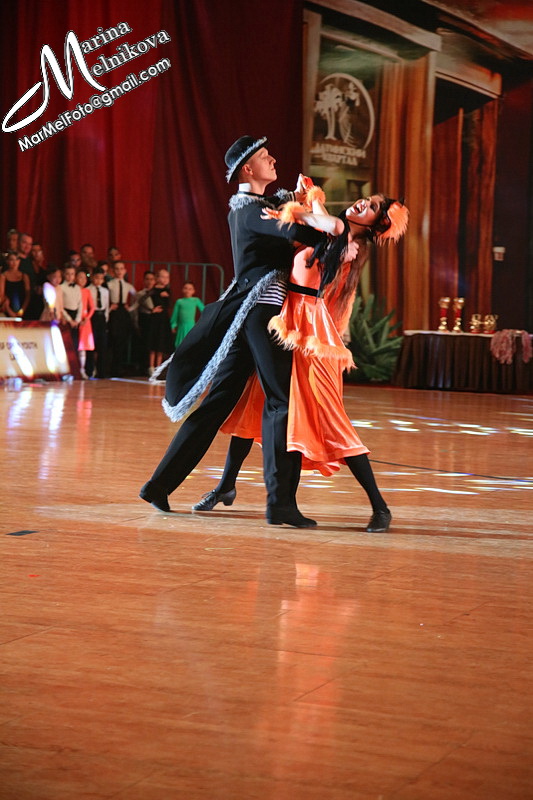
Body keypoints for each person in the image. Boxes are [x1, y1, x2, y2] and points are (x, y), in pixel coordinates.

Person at [192, 188, 409, 533]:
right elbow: (316, 223)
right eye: (368, 198)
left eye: (373, 207)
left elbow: (323, 222)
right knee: (256, 405)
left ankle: (380, 507)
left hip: (309, 333)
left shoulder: (346, 241)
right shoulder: (331, 231)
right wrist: (298, 202)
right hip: (285, 323)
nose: (364, 202)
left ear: (375, 225)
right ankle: (226, 486)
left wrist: (299, 205)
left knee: (331, 419)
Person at [139, 135, 328, 527]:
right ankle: (280, 503)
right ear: (248, 168)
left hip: (250, 315)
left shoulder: (258, 208)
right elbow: (304, 235)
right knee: (281, 401)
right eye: (265, 156)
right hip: (262, 312)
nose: (273, 160)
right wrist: (316, 212)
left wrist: (296, 203)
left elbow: (286, 221)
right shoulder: (248, 210)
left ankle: (159, 485)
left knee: (219, 403)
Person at [107, 260, 136, 376]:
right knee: (113, 338)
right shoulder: (109, 284)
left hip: (123, 312)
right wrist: (109, 307)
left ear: (125, 271)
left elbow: (138, 297)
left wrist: (131, 308)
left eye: (121, 268)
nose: (119, 271)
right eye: (117, 269)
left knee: (122, 340)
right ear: (113, 271)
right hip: (114, 312)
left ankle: (119, 368)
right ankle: (111, 368)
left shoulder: (128, 286)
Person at [147, 268, 174, 375]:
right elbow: (146, 301)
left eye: (167, 277)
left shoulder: (168, 291)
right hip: (154, 319)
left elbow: (169, 304)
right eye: (162, 277)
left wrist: (166, 297)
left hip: (163, 320)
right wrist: (152, 309)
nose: (165, 279)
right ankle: (151, 366)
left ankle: (158, 367)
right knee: (153, 343)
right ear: (157, 278)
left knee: (161, 343)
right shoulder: (153, 291)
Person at [87, 267, 110, 378]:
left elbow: (106, 306)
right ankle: (90, 370)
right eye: (96, 278)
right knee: (91, 344)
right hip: (92, 316)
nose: (98, 280)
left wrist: (106, 319)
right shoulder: (88, 290)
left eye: (101, 278)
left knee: (102, 345)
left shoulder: (105, 291)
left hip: (102, 317)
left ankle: (102, 371)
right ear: (92, 277)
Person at [170, 281, 205, 347]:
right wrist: (173, 325)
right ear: (182, 289)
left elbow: (204, 310)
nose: (187, 291)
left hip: (191, 326)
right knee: (180, 344)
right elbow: (175, 315)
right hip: (181, 327)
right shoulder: (179, 302)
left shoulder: (195, 300)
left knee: (190, 344)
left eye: (190, 289)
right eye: (185, 288)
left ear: (193, 291)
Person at [75, 269, 95, 379]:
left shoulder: (87, 291)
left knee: (83, 346)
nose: (82, 280)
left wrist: (87, 318)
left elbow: (92, 307)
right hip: (75, 320)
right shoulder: (74, 290)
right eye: (80, 277)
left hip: (85, 321)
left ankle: (82, 370)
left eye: (84, 278)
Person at [0, 250, 30, 318]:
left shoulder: (24, 276)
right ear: (7, 261)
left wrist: (22, 310)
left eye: (16, 260)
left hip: (23, 307)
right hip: (8, 308)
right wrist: (9, 310)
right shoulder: (3, 276)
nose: (14, 262)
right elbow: (2, 294)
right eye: (11, 260)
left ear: (19, 261)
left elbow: (28, 295)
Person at [60, 265, 82, 350]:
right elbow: (60, 306)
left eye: (72, 274)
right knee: (65, 341)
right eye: (67, 274)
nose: (70, 276)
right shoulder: (61, 287)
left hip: (75, 315)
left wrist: (77, 319)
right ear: (64, 274)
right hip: (65, 315)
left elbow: (80, 303)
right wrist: (69, 319)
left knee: (75, 342)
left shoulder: (77, 287)